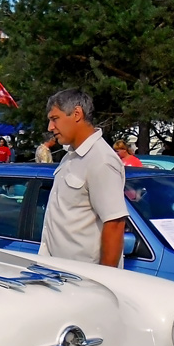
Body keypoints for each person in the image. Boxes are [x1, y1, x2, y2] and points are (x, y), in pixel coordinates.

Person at [39, 89, 128, 267]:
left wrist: (105, 282)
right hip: (59, 274)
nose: (50, 127)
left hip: (83, 281)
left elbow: (115, 223)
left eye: (54, 119)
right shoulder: (70, 157)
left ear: (77, 114)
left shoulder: (101, 159)